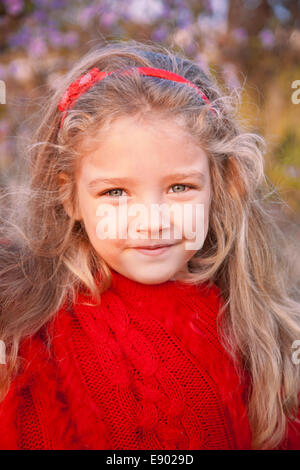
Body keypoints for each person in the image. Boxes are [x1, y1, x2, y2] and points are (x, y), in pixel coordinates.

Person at [0, 39, 299, 450]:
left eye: (180, 187)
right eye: (116, 193)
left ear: (224, 183)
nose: (152, 222)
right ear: (69, 196)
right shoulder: (24, 337)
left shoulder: (264, 331)